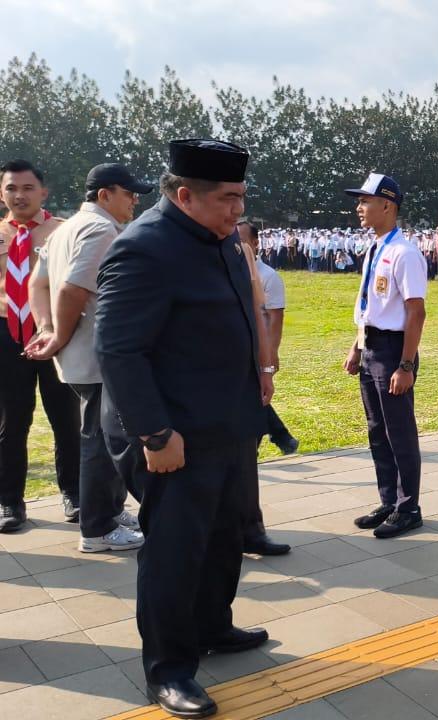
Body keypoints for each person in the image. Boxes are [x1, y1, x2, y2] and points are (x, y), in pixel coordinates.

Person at [96, 139, 271, 718]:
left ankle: (212, 626)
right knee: (175, 551)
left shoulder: (216, 237)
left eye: (242, 198)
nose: (237, 211)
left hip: (225, 423)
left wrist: (257, 378)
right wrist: (154, 435)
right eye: (227, 199)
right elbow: (119, 352)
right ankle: (169, 670)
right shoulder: (144, 248)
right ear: (183, 194)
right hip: (171, 435)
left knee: (225, 537)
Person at [24, 163, 151, 551]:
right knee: (101, 439)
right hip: (96, 351)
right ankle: (97, 528)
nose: (134, 201)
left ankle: (109, 511)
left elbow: (37, 283)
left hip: (81, 351)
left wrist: (46, 329)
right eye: (128, 193)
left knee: (102, 433)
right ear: (104, 194)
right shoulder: (99, 229)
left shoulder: (64, 229)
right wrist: (58, 333)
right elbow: (72, 289)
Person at [343, 173, 428, 539]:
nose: (359, 208)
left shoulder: (405, 253)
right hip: (371, 347)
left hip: (394, 350)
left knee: (399, 432)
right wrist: (356, 346)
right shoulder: (377, 248)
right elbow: (370, 306)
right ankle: (389, 499)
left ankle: (409, 506)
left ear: (387, 205)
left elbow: (415, 312)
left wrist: (406, 365)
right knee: (377, 431)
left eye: (365, 201)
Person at [0, 160, 80, 532]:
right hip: (5, 336)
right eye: (12, 188)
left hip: (55, 334)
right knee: (10, 423)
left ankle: (75, 494)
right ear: (2, 193)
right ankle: (9, 502)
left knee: (66, 419)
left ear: (43, 192)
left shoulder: (63, 232)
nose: (20, 195)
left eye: (28, 188)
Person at [234, 221, 293, 557]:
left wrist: (267, 364)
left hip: (250, 369)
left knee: (245, 453)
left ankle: (250, 528)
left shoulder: (266, 276)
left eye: (243, 240)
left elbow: (272, 321)